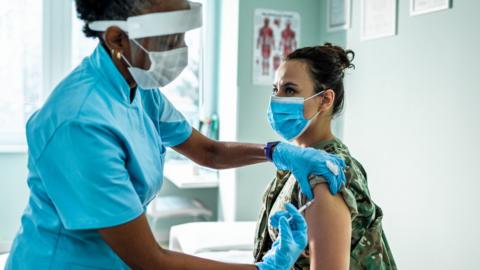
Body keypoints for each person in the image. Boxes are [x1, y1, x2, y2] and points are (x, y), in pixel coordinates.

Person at [5, 1, 347, 269]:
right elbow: (150, 260)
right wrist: (263, 269)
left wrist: (277, 152)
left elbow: (209, 152)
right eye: (169, 40)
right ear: (117, 38)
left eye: (182, 36)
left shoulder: (138, 83)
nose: (181, 48)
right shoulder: (79, 123)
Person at [254, 44, 397, 269]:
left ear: (325, 99)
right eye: (276, 89)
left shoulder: (328, 172)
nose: (277, 99)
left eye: (290, 90)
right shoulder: (297, 161)